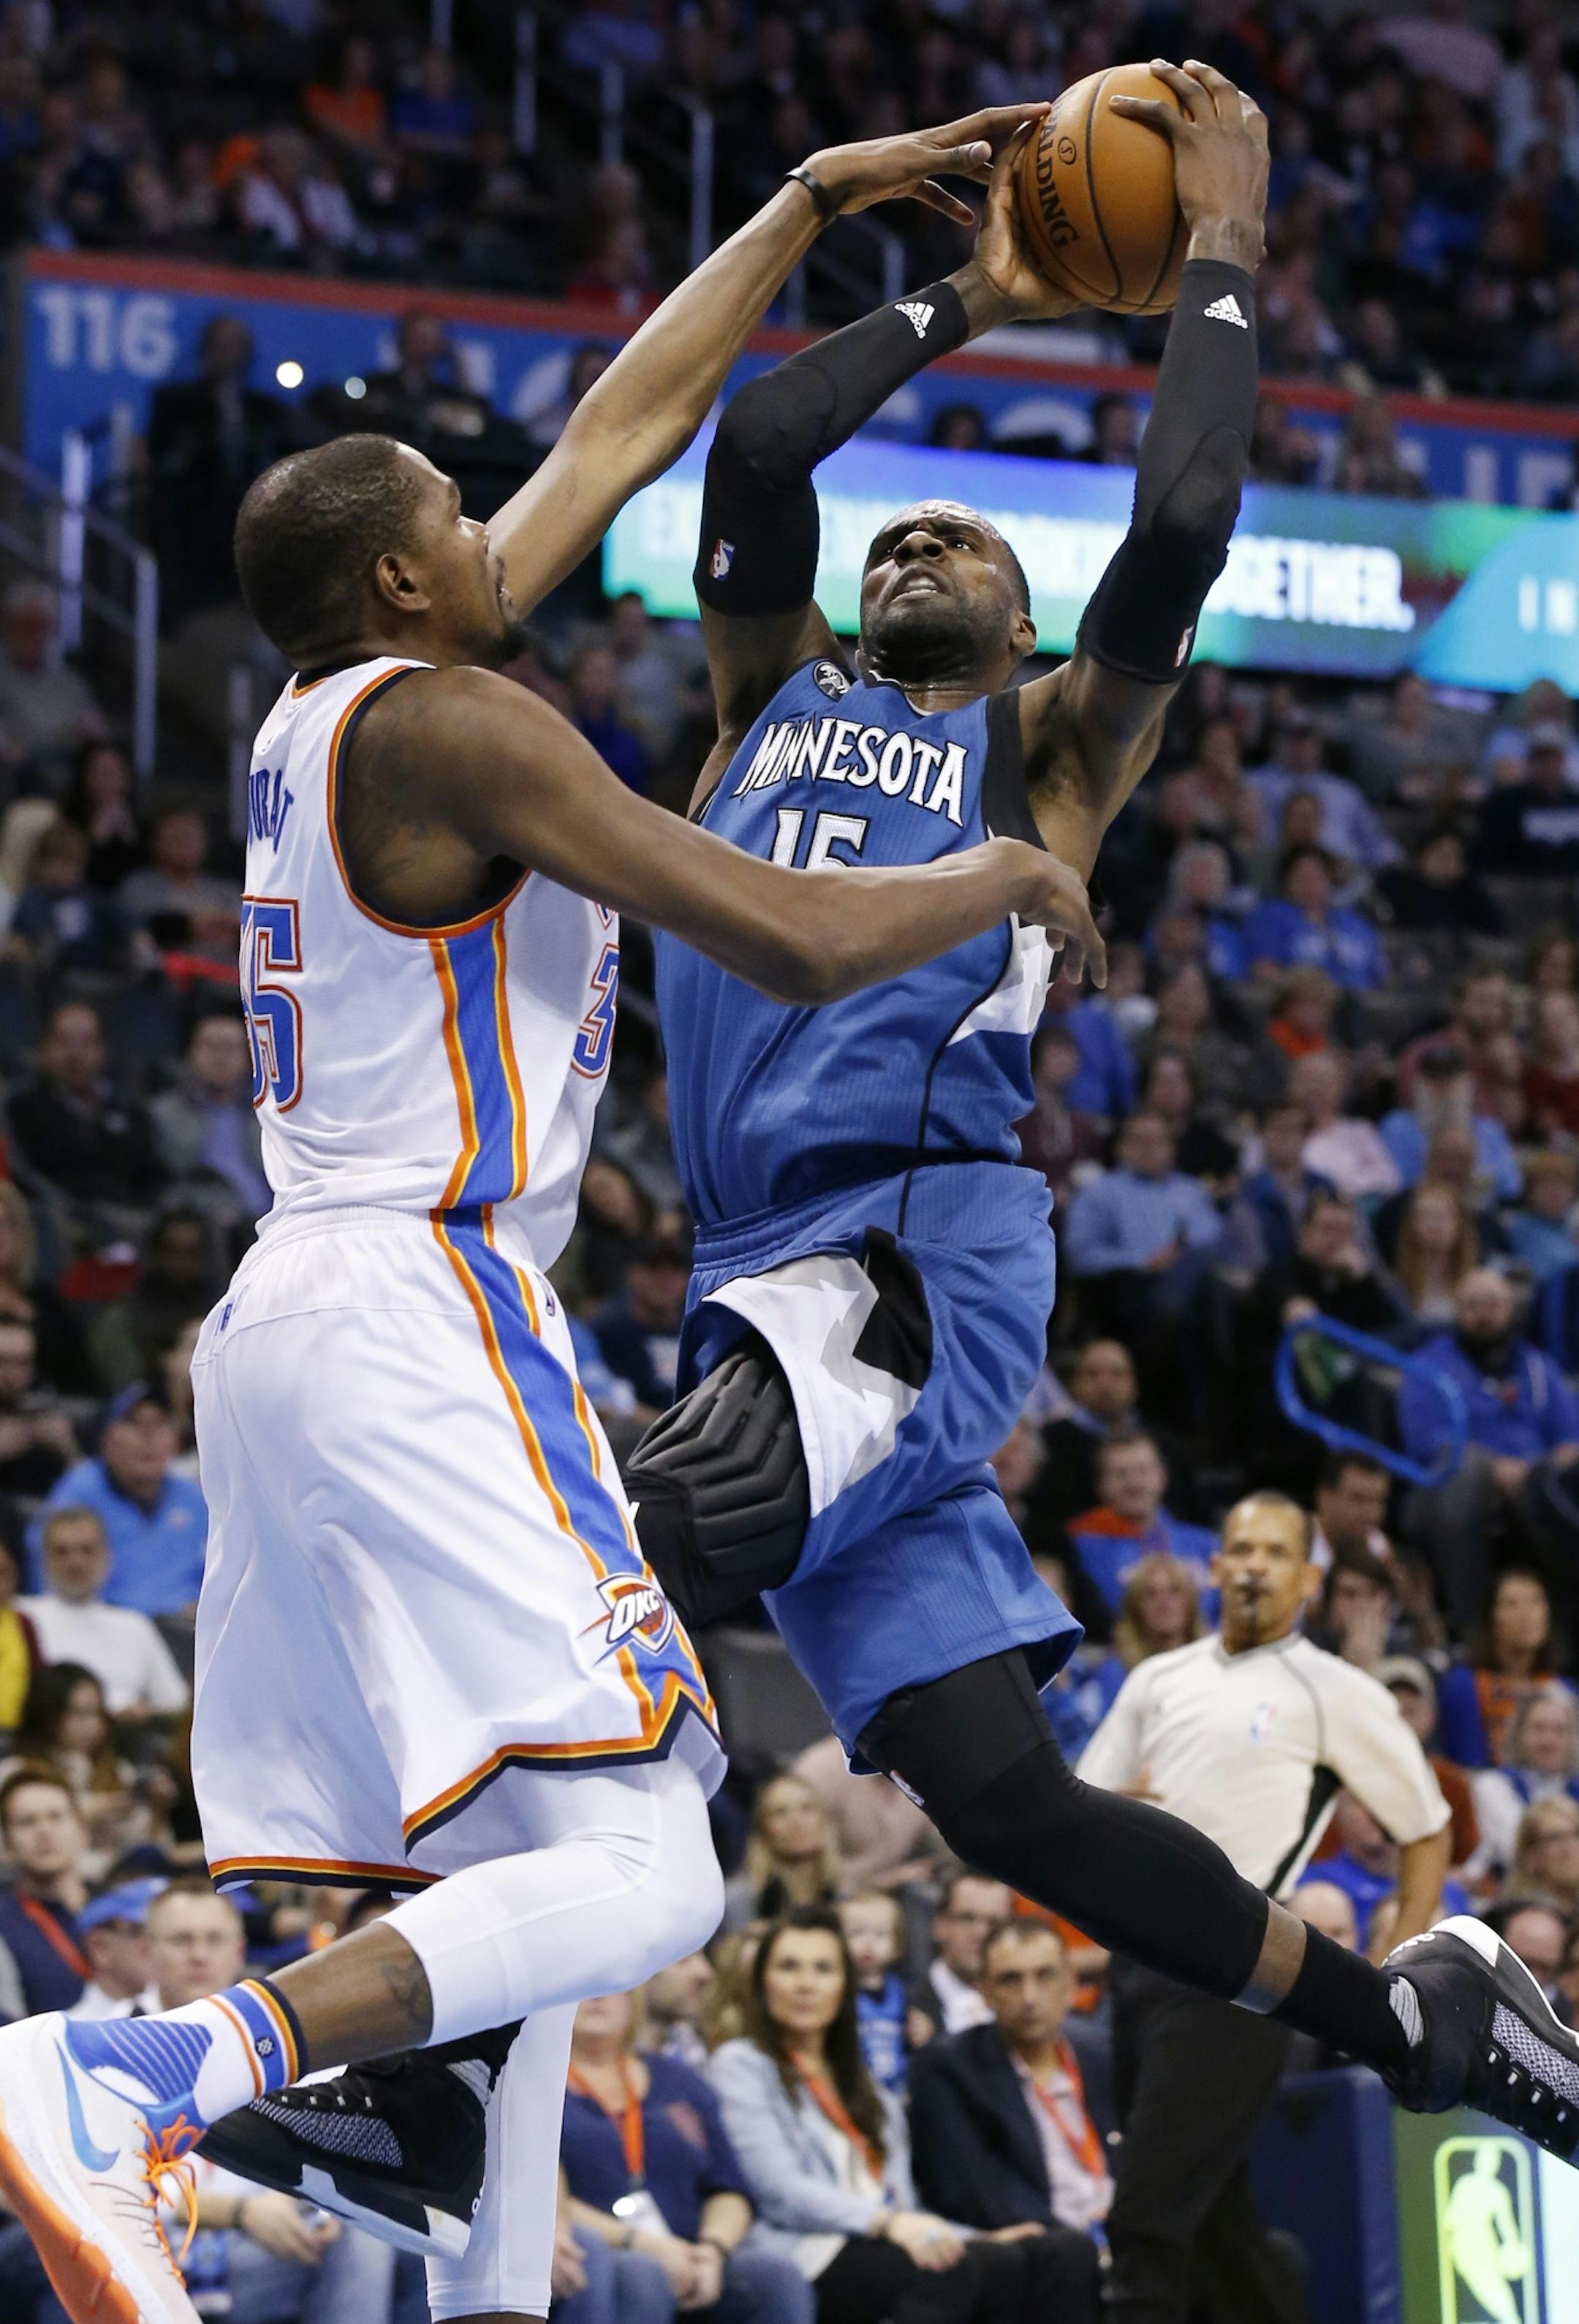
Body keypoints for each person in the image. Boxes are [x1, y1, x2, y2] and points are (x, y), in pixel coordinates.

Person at [197, 67, 1579, 2282]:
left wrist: (1214, 261)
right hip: (766, 1292)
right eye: (905, 538)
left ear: (1033, 636)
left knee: (613, 1542)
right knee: (1007, 1800)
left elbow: (1188, 535)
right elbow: (742, 450)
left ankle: (410, 2059)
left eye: (974, 552)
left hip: (905, 1264)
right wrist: (970, 288)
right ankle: (1399, 2009)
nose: (924, 548)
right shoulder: (764, 692)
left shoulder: (1043, 747)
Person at [0, 105, 1082, 2324]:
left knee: (522, 1883)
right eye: (460, 524)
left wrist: (806, 209)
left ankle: (468, 2287)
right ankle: (143, 2067)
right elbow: (788, 935)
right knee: (660, 1859)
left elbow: (626, 419)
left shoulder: (350, 708)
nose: (512, 530)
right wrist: (1006, 866)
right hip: (425, 1296)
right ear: (409, 579)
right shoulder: (464, 730)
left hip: (297, 1325)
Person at [1080, 1491, 1451, 2324]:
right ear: (1213, 1565)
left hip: (1237, 1965)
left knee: (1147, 2214)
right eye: (1240, 1548)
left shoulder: (1336, 1689)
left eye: (1276, 1553)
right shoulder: (1156, 1676)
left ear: (1310, 1580)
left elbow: (1426, 1827)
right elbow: (1084, 1801)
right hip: (1136, 1961)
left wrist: (1403, 1959)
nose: (1253, 1565)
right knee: (1212, 2220)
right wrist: (1115, 1808)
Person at [711, 1907, 1059, 2323]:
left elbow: (903, 2203)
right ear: (762, 1982)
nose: (806, 1984)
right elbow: (779, 2189)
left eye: (823, 1969)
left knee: (1007, 2261)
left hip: (881, 2238)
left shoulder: (867, 2086)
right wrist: (888, 2223)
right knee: (942, 2273)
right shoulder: (742, 2064)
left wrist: (977, 2237)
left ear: (845, 1986)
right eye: (789, 1967)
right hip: (806, 2246)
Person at [138, 1882, 398, 2324]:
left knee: (380, 2235)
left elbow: (332, 2152)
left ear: (240, 1950)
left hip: (271, 2241)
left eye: (214, 1939)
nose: (199, 1954)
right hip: (157, 2246)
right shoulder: (105, 2042)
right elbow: (97, 2179)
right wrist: (239, 2213)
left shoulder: (282, 2043)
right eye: (182, 1940)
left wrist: (320, 2206)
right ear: (147, 1951)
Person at [559, 1986, 813, 2324]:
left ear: (635, 1995)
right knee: (643, 2277)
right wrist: (649, 2246)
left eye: (611, 1984)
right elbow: (548, 2199)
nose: (597, 1995)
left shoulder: (680, 2082)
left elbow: (728, 2189)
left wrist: (712, 2250)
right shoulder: (539, 2088)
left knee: (776, 2277)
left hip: (691, 2252)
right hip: (607, 2252)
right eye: (581, 1986)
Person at [908, 1918, 1109, 2301]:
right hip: (1043, 2247)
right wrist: (1087, 2241)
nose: (1030, 1997)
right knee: (1070, 2256)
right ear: (983, 1991)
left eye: (1045, 1976)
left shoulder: (1101, 2055)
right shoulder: (948, 2068)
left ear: (1070, 1983)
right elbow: (974, 2191)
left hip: (1115, 2231)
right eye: (1010, 1980)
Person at [1399, 1270, 1579, 1635]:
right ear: (1457, 1312)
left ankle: (1560, 1637)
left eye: (1494, 1304)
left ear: (1512, 1309)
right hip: (1448, 1482)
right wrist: (1495, 1467)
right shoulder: (1429, 1365)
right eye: (1473, 1305)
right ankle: (1472, 1633)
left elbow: (1569, 1440)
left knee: (1558, 1493)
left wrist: (1536, 1472)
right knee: (1462, 1475)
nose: (1484, 1314)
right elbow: (1425, 1442)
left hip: (1533, 1481)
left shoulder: (1537, 1366)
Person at [29, 1385, 208, 1621]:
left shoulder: (194, 1499)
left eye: (160, 1424)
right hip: (102, 1628)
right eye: (134, 1424)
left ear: (176, 1440)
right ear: (106, 1438)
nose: (148, 1438)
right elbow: (48, 1579)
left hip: (188, 1636)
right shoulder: (79, 1492)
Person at [18, 1504, 189, 1718]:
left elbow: (176, 1705)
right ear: (43, 1559)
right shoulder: (21, 1617)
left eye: (87, 1550)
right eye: (62, 1552)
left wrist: (145, 1716)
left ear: (107, 1555)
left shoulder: (134, 1626)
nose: (76, 1562)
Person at [1061, 1432, 1217, 1621]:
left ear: (1163, 1476)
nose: (1134, 1483)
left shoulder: (1206, 1543)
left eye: (1143, 1471)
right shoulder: (1084, 1547)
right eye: (1120, 1474)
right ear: (1100, 1485)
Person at [1436, 1569, 1577, 1771]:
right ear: (1492, 1617)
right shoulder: (1463, 1686)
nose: (1526, 1614)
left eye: (1536, 1602)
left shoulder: (1565, 1690)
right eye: (1511, 1604)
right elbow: (1467, 1770)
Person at [148, 1012, 271, 1231]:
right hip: (202, 1225)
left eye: (230, 1049)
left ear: (249, 1056)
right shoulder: (162, 1113)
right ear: (190, 1053)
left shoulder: (269, 1114)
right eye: (210, 1047)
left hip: (270, 1220)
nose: (220, 1058)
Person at [790, 1732, 944, 1895]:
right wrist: (882, 1882)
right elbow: (801, 1873)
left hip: (900, 1896)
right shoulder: (819, 1771)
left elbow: (945, 1850)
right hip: (830, 1900)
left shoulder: (928, 1764)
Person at [1077, 1551, 1208, 1732]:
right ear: (1135, 1609)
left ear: (1191, 1604)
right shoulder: (1114, 1671)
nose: (1164, 1602)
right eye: (1151, 1594)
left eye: (1174, 1591)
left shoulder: (1212, 1665)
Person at [0, 1769, 89, 2019]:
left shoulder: (121, 1911)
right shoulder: (4, 1924)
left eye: (56, 1817)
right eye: (27, 1822)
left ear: (82, 1832)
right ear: (6, 1844)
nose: (44, 1831)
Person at [1239, 844, 1385, 991]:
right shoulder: (1270, 916)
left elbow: (1379, 980)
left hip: (1359, 1004)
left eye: (1318, 876)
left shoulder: (1356, 925)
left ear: (1330, 880)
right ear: (1287, 882)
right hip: (1299, 1003)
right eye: (1303, 877)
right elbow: (1263, 970)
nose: (1311, 884)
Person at [1472, 1686, 1579, 1884]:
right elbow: (1517, 1850)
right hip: (1514, 1894)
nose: (1549, 1740)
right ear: (1519, 1733)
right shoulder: (1493, 1785)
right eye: (1539, 1728)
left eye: (1559, 1730)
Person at [727, 1776, 843, 1928]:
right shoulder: (738, 1901)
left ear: (825, 1819)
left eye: (807, 1808)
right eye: (781, 1812)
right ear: (763, 1828)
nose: (797, 1822)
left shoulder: (848, 1897)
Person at [909, 1873, 1014, 2040]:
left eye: (994, 1923)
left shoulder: (1024, 2008)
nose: (981, 1933)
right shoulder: (903, 2007)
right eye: (967, 1918)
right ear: (939, 1924)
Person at [838, 1892, 911, 2093]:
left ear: (897, 1944)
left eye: (880, 1934)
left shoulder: (903, 1991)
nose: (868, 1943)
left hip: (897, 2087)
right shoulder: (839, 1991)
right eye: (856, 1933)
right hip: (855, 2088)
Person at [1479, 733, 1579, 876]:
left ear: (1562, 762)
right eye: (1541, 760)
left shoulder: (1574, 803)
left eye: (1553, 759)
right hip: (1520, 882)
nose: (1547, 766)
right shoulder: (1506, 803)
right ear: (1529, 763)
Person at [0, 1316, 76, 1496]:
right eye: (2, 1361)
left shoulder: (39, 1412)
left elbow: (91, 1497)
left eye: (22, 1363)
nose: (10, 1374)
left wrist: (69, 1450)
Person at [69, 1877, 163, 2021]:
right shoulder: (70, 2033)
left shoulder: (189, 2017)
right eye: (139, 1931)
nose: (155, 1946)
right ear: (99, 1947)